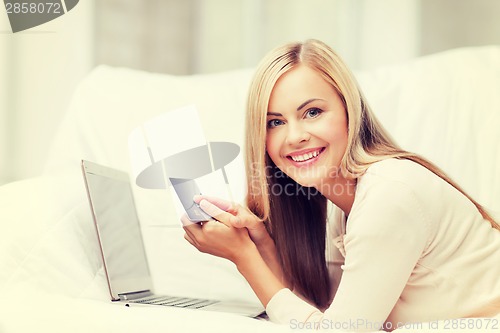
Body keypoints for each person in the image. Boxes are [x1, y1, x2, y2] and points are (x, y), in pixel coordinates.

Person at [182, 39, 500, 331]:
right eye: (275, 122)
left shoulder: (388, 195)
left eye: (312, 112)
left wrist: (244, 259)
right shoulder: (343, 206)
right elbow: (326, 317)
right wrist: (261, 244)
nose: (294, 136)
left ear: (350, 111)